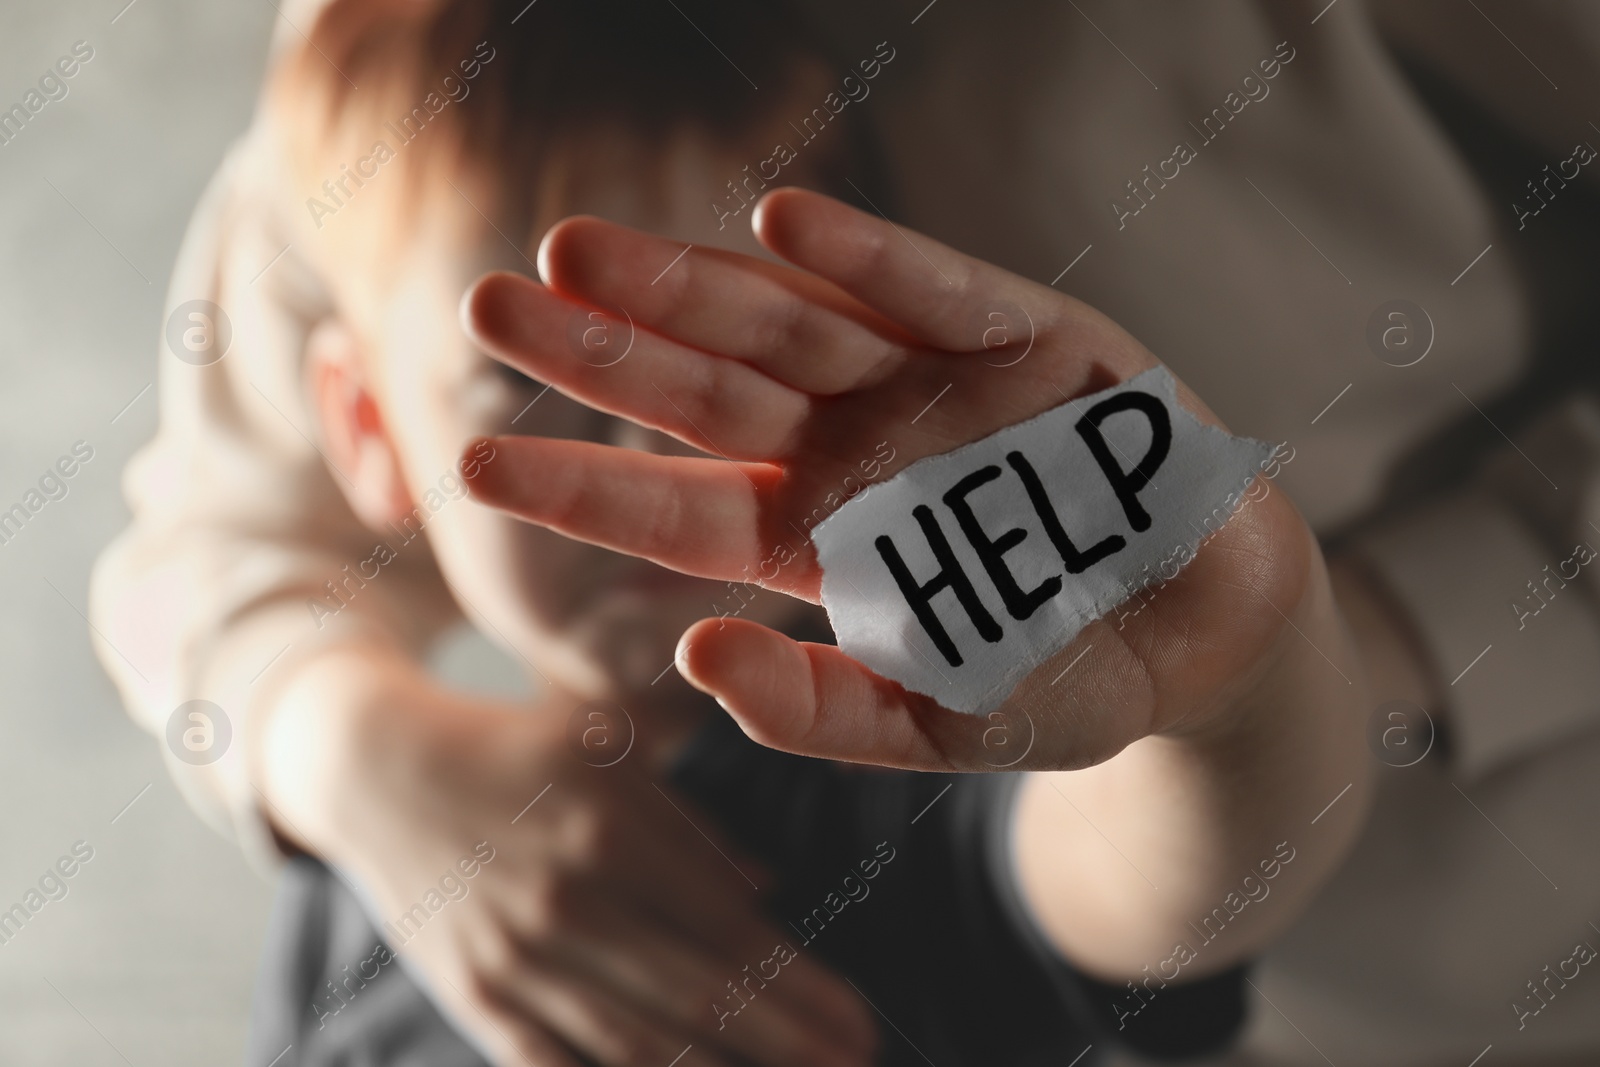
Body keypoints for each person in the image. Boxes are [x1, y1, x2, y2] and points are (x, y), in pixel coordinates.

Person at [91, 0, 1600, 1065]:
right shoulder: (408, 69)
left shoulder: (902, 809)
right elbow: (211, 537)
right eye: (546, 394)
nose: (659, 448)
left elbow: (1135, 885)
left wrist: (1258, 670)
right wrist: (349, 747)